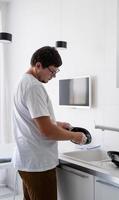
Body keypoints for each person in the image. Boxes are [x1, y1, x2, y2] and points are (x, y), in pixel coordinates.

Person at [12, 46, 87, 200]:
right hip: (38, 163)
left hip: (28, 160)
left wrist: (57, 123)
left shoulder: (24, 81)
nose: (53, 76)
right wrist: (75, 136)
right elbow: (47, 132)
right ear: (38, 65)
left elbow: (34, 120)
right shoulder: (34, 87)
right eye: (52, 71)